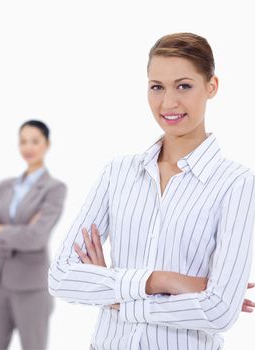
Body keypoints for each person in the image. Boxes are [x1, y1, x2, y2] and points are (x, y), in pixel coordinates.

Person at [49, 33, 255, 349]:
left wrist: (115, 295)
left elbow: (220, 311)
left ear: (211, 87)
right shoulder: (117, 172)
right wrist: (159, 280)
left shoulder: (235, 183)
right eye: (157, 86)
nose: (167, 102)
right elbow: (61, 277)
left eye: (183, 86)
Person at [0, 120, 67, 350]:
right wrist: (18, 233)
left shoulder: (54, 189)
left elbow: (36, 237)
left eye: (35, 141)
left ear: (47, 144)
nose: (28, 147)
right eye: (23, 141)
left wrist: (1, 230)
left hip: (31, 287)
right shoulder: (5, 186)